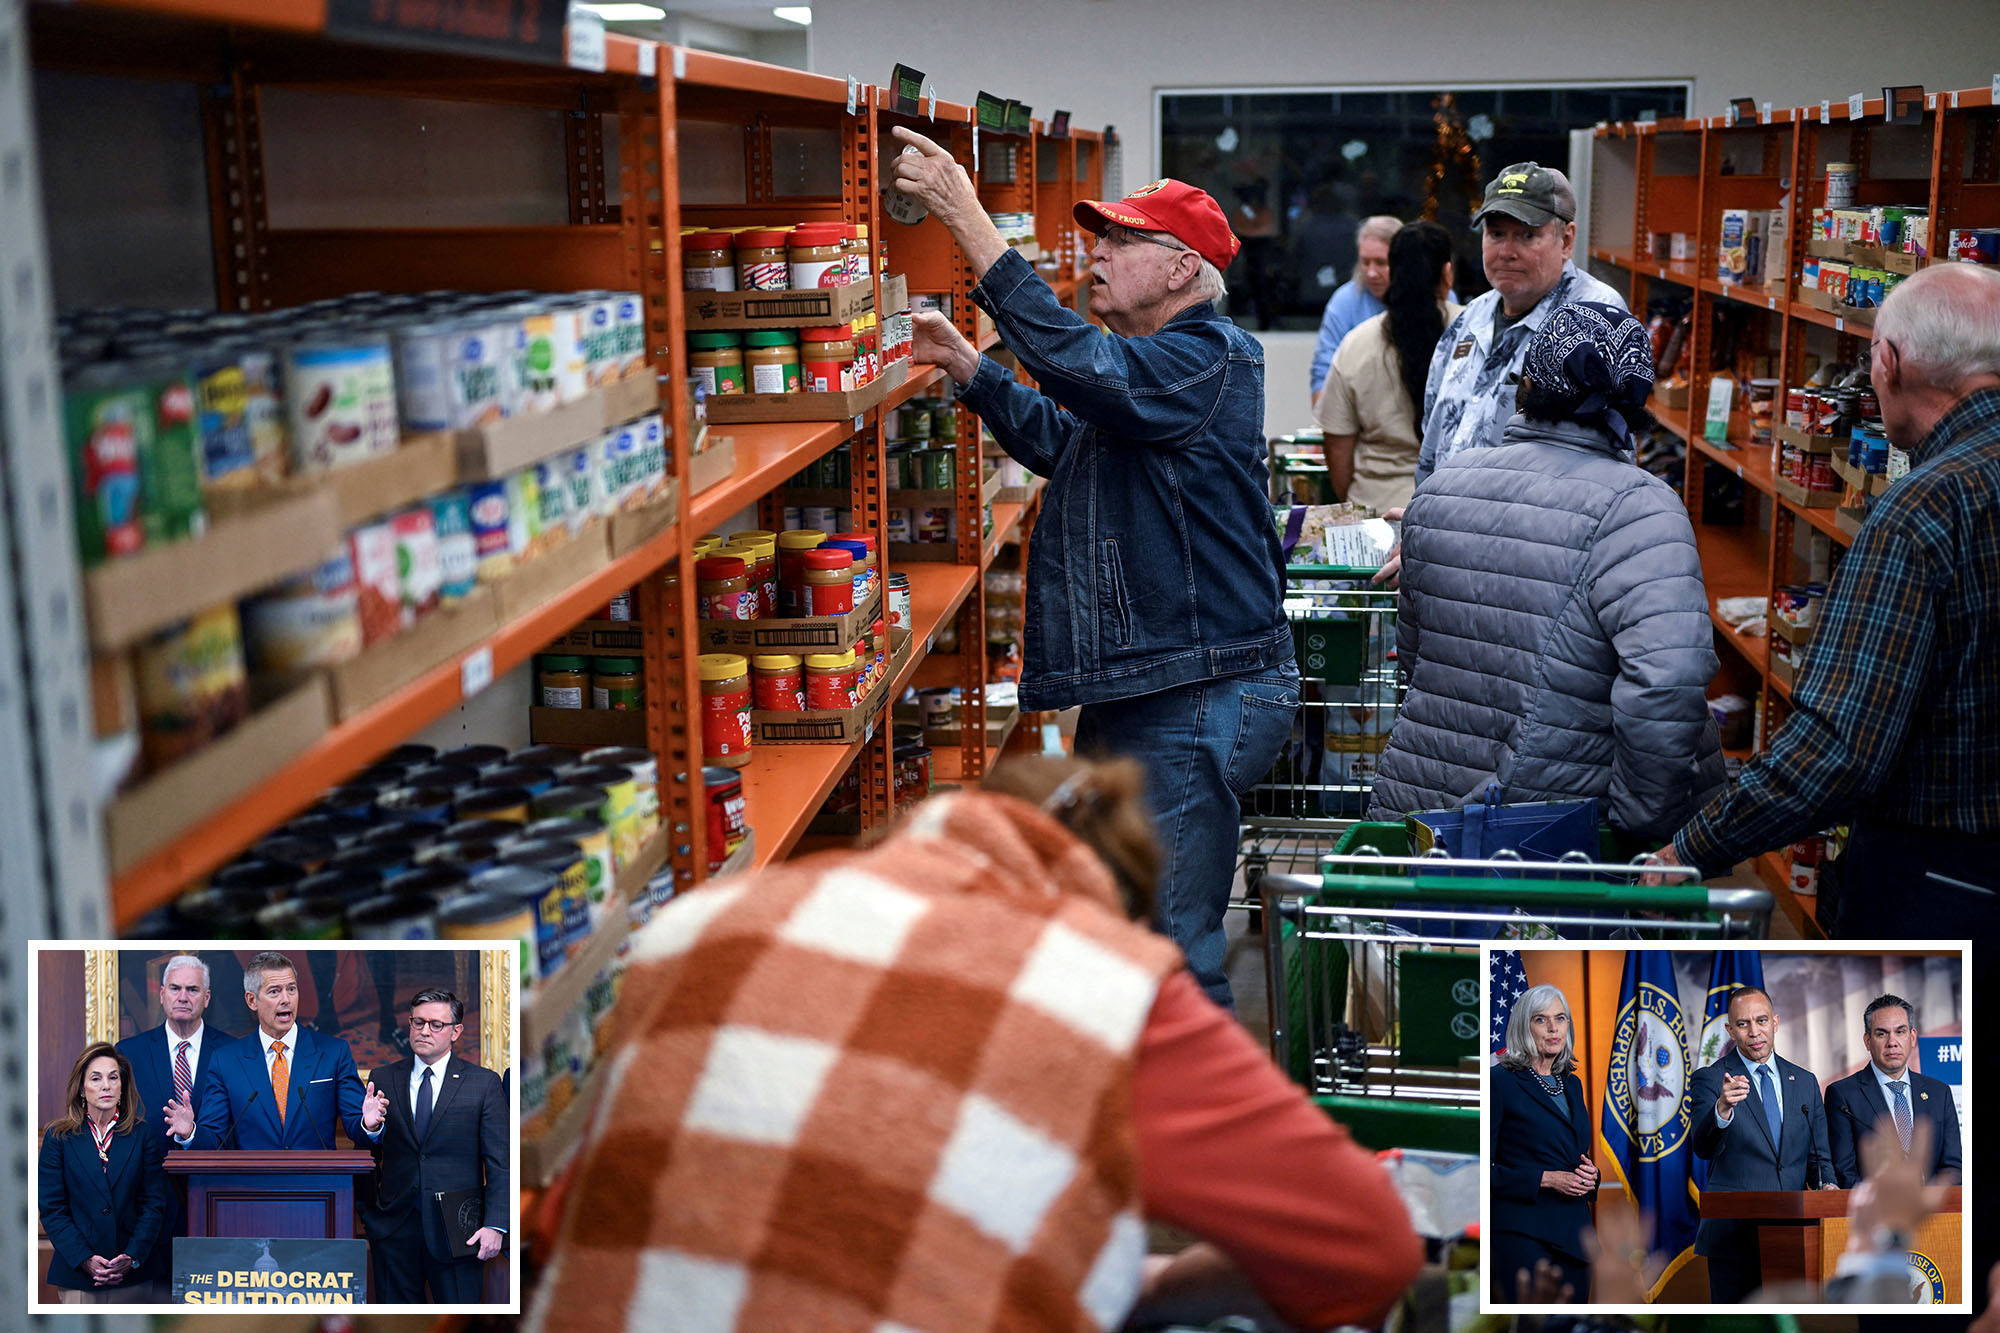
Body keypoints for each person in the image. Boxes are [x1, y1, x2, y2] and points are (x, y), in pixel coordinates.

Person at [527, 758, 1422, 1333]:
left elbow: (563, 1222)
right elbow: (1369, 1253)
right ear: (1100, 902)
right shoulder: (1104, 986)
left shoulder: (700, 925)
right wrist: (1150, 1288)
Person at [886, 129, 1298, 1012]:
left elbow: (1082, 367)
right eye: (1097, 237)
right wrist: (969, 368)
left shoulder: (1211, 358)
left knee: (1168, 949)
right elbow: (1068, 440)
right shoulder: (1157, 376)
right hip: (1154, 680)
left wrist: (964, 212)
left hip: (1198, 688)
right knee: (1119, 922)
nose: (1096, 254)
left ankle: (1199, 1140)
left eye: (1120, 241)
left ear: (1184, 268)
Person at [1368, 301, 1725, 841]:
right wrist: (1640, 824)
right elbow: (1666, 686)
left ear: (1528, 382)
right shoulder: (1640, 510)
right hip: (1547, 838)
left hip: (1418, 815)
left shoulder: (1440, 487)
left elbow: (1416, 658)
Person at [1410, 163, 1627, 497]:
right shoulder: (1472, 317)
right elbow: (1433, 433)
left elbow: (1602, 474)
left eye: (1527, 235)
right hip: (1447, 529)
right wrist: (1420, 513)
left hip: (1530, 540)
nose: (1507, 252)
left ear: (1566, 240)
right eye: (1496, 234)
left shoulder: (1592, 320)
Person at [1686, 986, 1835, 1302]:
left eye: (1762, 1020)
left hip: (1795, 1237)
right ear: (1730, 1029)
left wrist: (1828, 1185)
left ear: (1776, 1022)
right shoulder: (1712, 1079)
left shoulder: (1805, 1081)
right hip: (1734, 1239)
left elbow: (1818, 1156)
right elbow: (1702, 1147)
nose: (1754, 1032)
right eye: (1743, 1024)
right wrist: (1722, 1109)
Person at [361, 988, 507, 1303]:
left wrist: (496, 1224)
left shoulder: (483, 1083)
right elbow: (371, 1153)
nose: (425, 1030)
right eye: (418, 1022)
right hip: (395, 1230)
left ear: (456, 1031)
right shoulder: (383, 1078)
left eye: (436, 1025)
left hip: (459, 1232)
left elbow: (500, 1163)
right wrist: (371, 1128)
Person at [165, 951, 386, 1151]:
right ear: (252, 1001)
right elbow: (213, 1139)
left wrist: (369, 1124)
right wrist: (189, 1133)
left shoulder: (333, 1053)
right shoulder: (226, 1060)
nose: (286, 1000)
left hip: (319, 1188)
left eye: (291, 989)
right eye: (274, 991)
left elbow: (360, 1132)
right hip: (253, 1189)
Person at [1315, 219, 1459, 512]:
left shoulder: (1356, 344)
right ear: (1447, 274)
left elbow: (1336, 445)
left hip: (1375, 513)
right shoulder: (1475, 333)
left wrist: (1358, 506)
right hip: (1456, 512)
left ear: (1394, 272)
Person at [115, 953, 225, 1287]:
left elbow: (241, 1131)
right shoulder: (128, 1053)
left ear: (206, 998)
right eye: (175, 988)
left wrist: (192, 1133)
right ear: (161, 994)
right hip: (145, 1216)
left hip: (215, 1210)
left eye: (192, 989)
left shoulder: (233, 1053)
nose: (182, 997)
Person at [1488, 983, 1597, 1304]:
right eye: (1541, 1019)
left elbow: (1573, 1152)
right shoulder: (1500, 1083)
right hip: (1523, 1231)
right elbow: (1485, 1167)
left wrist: (1592, 1177)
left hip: (1574, 1235)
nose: (1553, 1028)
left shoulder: (1571, 1083)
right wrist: (1546, 1179)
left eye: (1560, 1018)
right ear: (1524, 1025)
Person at [38, 1042, 167, 1304]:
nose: (106, 1085)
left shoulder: (143, 1135)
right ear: (82, 1089)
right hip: (79, 1276)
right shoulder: (58, 1137)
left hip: (132, 1275)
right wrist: (85, 1259)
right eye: (96, 1078)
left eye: (113, 1077)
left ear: (122, 1087)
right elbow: (53, 1209)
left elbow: (153, 1205)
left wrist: (131, 1257)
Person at [1824, 993, 1962, 1190]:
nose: (1892, 1042)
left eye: (1900, 1032)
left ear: (1912, 1037)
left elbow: (1954, 1167)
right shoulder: (1843, 1095)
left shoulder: (1940, 1093)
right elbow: (1845, 1172)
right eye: (1882, 1034)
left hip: (1935, 1213)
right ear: (1867, 1041)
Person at [1309, 214, 1401, 403]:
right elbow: (1323, 376)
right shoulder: (1344, 302)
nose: (1371, 273)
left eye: (1381, 263)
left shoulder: (1435, 297)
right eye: (1365, 262)